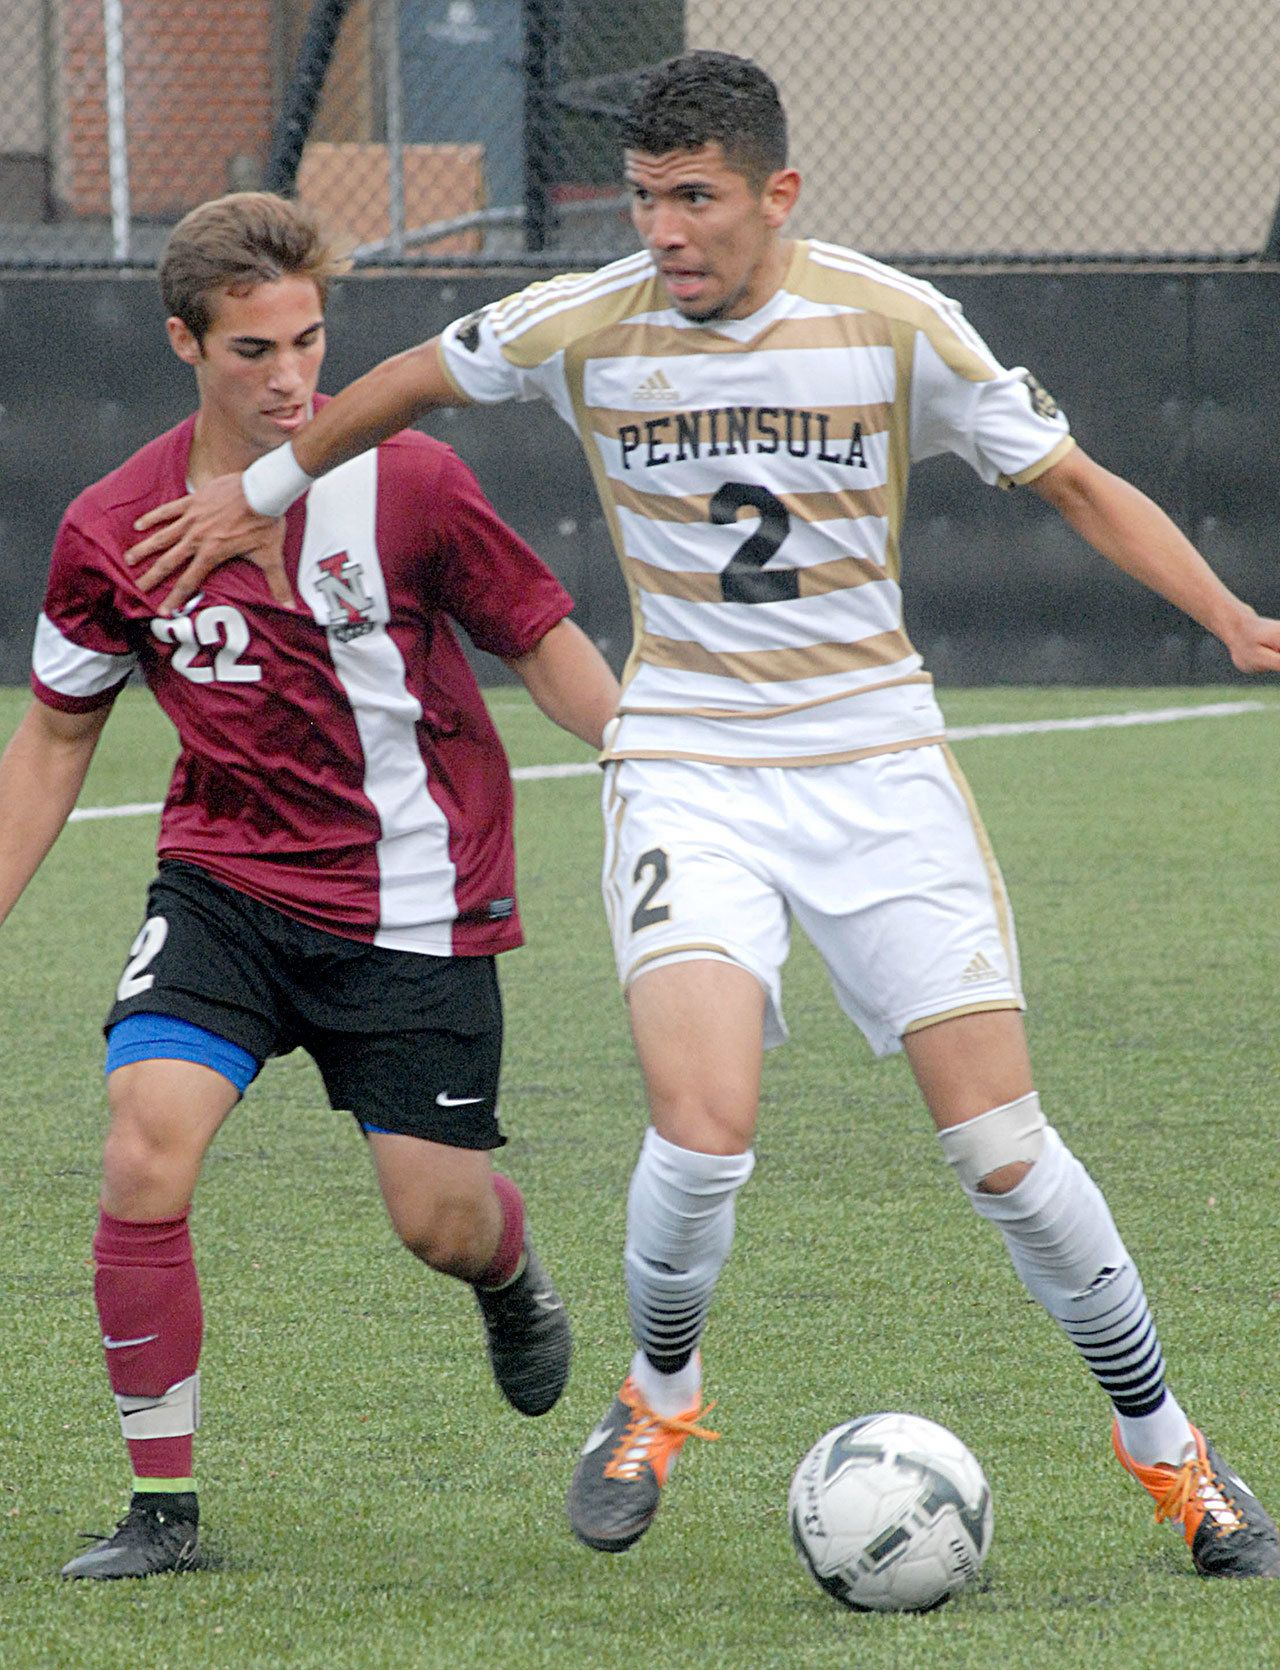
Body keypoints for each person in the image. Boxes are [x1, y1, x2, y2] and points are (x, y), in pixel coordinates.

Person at [121, 57, 1280, 1579]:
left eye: (697, 198)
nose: (664, 229)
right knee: (703, 1119)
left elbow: (1072, 483)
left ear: (776, 195)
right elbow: (410, 379)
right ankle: (659, 1393)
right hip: (689, 765)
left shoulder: (890, 321)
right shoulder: (588, 319)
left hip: (879, 768)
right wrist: (271, 481)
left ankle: (1171, 1450)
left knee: (1002, 1145)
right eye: (645, 197)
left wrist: (1234, 615)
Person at [0, 190, 620, 1580]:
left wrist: (639, 741)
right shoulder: (114, 529)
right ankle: (163, 1509)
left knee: (437, 1219)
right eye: (252, 351)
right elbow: (50, 743)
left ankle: (509, 1267)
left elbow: (544, 637)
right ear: (183, 343)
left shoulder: (409, 483)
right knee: (144, 1137)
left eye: (309, 342)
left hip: (415, 905)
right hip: (221, 884)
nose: (291, 380)